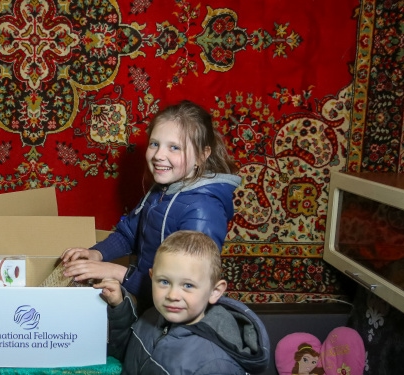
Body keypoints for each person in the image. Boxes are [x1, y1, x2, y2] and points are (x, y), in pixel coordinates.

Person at [61, 100, 240, 310]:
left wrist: (116, 272)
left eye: (174, 147)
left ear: (202, 155)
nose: (158, 155)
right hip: (145, 301)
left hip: (173, 318)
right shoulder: (161, 191)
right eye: (155, 144)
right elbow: (129, 234)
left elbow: (182, 290)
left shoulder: (203, 211)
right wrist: (97, 254)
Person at [95, 230, 270, 375]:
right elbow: (125, 354)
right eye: (164, 282)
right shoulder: (152, 315)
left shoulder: (214, 365)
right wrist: (119, 307)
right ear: (152, 277)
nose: (172, 295)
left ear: (215, 291)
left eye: (188, 285)